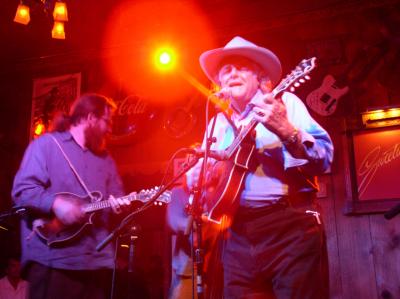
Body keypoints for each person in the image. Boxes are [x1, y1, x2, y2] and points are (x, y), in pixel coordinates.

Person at [186, 36, 334, 299]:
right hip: (238, 236)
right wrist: (196, 177)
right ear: (219, 83)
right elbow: (201, 182)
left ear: (259, 76)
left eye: (241, 67)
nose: (233, 74)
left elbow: (325, 158)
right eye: (226, 70)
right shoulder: (217, 123)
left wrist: (288, 131)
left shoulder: (285, 104)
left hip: (290, 228)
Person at [12, 93, 131, 299]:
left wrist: (120, 205)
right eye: (107, 121)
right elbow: (23, 190)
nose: (110, 128)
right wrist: (56, 203)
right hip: (54, 261)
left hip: (95, 262)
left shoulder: (105, 160)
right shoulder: (47, 145)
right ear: (90, 117)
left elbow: (117, 196)